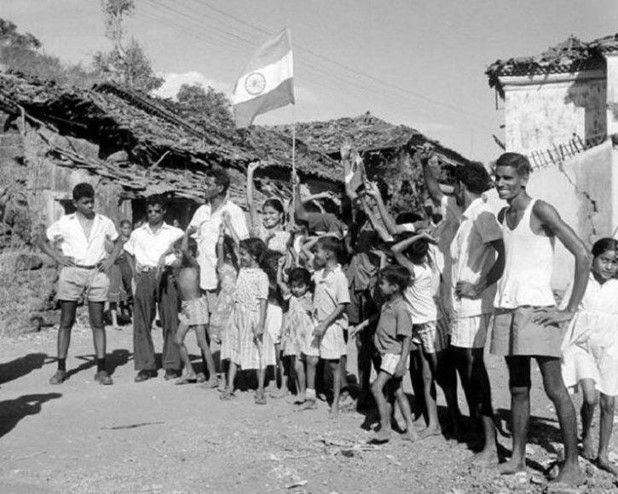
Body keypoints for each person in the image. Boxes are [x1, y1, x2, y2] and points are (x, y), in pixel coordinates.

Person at [490, 152, 590, 485]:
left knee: (554, 388)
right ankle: (517, 459)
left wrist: (568, 309)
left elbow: (583, 254)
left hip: (538, 312)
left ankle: (572, 466)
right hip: (508, 309)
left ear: (523, 178)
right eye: (497, 177)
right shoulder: (503, 215)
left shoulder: (541, 209)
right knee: (518, 387)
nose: (500, 183)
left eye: (507, 178)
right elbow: (508, 261)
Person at [37, 182, 120, 385]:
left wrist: (110, 260)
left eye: (92, 201)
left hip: (96, 273)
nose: (90, 205)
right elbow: (41, 240)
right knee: (66, 321)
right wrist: (58, 258)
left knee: (97, 322)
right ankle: (61, 369)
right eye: (85, 202)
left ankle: (101, 370)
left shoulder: (104, 221)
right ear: (75, 203)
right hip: (72, 272)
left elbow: (119, 241)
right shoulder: (65, 222)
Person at [561, 238, 618, 475]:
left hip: (610, 347)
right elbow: (565, 310)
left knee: (609, 403)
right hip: (582, 346)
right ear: (593, 258)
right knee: (591, 397)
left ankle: (603, 454)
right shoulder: (582, 281)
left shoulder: (616, 287)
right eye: (604, 260)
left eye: (614, 262)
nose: (609, 266)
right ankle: (585, 433)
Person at [123, 196, 185, 383]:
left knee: (170, 319)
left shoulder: (175, 232)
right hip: (146, 275)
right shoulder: (137, 233)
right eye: (150, 211)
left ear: (163, 211)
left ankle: (172, 364)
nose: (153, 215)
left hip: (167, 275)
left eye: (157, 211)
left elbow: (184, 254)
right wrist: (135, 272)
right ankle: (146, 366)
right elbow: (128, 251)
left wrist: (176, 271)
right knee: (141, 321)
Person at [391, 232, 445, 439]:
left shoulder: (413, 270)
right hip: (422, 322)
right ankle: (433, 423)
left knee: (433, 374)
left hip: (427, 322)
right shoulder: (428, 265)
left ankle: (436, 423)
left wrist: (420, 235)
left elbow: (395, 249)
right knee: (426, 375)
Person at [302, 236, 350, 418]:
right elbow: (305, 252)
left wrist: (325, 323)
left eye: (318, 252)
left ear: (328, 254)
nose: (315, 255)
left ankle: (335, 402)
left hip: (331, 325)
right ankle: (310, 398)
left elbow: (342, 304)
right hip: (317, 322)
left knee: (334, 364)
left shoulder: (339, 277)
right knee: (311, 359)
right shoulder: (320, 273)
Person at [370, 265, 418, 444]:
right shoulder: (388, 304)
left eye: (382, 283)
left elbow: (406, 337)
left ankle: (385, 428)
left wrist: (402, 362)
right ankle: (411, 430)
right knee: (398, 392)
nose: (379, 286)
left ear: (395, 287)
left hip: (394, 354)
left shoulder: (401, 309)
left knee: (376, 387)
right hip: (388, 353)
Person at [220, 238, 271, 404]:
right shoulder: (242, 270)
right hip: (237, 316)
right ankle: (229, 386)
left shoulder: (261, 276)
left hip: (253, 317)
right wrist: (226, 233)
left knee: (258, 352)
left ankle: (260, 389)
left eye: (243, 254)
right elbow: (235, 247)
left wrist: (261, 323)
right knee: (235, 349)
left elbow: (263, 301)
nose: (240, 257)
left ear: (254, 256)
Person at [189, 168, 249, 307]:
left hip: (222, 280)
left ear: (220, 188)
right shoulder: (201, 211)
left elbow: (243, 245)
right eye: (204, 184)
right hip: (199, 276)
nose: (204, 187)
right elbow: (191, 239)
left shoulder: (234, 211)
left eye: (208, 184)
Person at [173, 231, 218, 386]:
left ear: (190, 253)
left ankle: (213, 376)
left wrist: (186, 234)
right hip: (187, 307)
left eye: (178, 252)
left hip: (197, 306)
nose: (176, 255)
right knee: (178, 340)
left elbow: (185, 250)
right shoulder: (179, 268)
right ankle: (190, 371)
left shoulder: (194, 265)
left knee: (202, 343)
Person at [279, 263, 314, 405]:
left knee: (303, 365)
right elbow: (279, 282)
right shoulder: (291, 298)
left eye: (300, 286)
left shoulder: (310, 298)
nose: (296, 289)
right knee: (296, 366)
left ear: (307, 286)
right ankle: (300, 391)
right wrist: (280, 267)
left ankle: (304, 392)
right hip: (294, 337)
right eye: (293, 286)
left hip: (306, 337)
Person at [210, 222, 239, 390]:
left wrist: (230, 227)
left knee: (235, 343)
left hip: (236, 307)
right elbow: (221, 248)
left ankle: (234, 378)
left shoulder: (238, 266)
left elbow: (239, 246)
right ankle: (223, 378)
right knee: (224, 346)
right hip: (224, 308)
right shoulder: (221, 266)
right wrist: (221, 233)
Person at [246, 161, 290, 253]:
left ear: (280, 215)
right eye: (265, 213)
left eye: (272, 213)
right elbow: (250, 203)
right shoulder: (259, 230)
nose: (267, 217)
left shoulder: (287, 236)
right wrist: (250, 173)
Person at [106, 219, 133, 329]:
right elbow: (112, 254)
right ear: (120, 229)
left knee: (130, 294)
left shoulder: (132, 240)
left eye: (128, 228)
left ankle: (131, 318)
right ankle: (114, 321)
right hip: (116, 269)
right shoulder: (116, 241)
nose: (127, 230)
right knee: (114, 295)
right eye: (124, 228)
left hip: (129, 269)